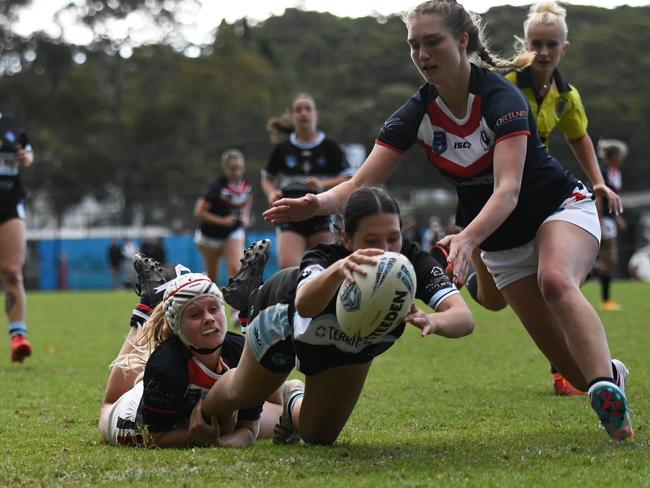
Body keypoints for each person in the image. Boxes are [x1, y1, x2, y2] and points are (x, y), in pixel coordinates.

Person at [263, 0, 633, 442]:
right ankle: (610, 376)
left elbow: (509, 190)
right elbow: (360, 184)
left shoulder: (502, 97)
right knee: (577, 371)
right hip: (502, 243)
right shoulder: (416, 113)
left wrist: (467, 238)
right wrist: (316, 204)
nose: (422, 54)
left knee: (555, 281)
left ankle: (619, 428)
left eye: (432, 42)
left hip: (559, 209)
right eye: (414, 45)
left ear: (462, 41)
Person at [200, 186, 474, 446]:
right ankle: (201, 411)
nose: (386, 250)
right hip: (282, 319)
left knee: (319, 436)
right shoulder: (325, 257)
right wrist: (338, 270)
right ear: (345, 238)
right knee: (245, 393)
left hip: (349, 342)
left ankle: (292, 396)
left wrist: (432, 320)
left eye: (393, 237)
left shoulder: (411, 262)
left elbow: (463, 318)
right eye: (371, 240)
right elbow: (305, 305)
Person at [462, 0, 620, 396]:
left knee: (558, 281)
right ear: (526, 44)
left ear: (564, 48)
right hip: (496, 194)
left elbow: (578, 136)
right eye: (537, 43)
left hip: (539, 194)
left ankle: (569, 372)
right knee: (493, 302)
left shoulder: (567, 96)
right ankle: (474, 268)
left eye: (552, 44)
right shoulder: (507, 84)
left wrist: (598, 182)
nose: (544, 52)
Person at [99, 253, 289, 448]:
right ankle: (148, 305)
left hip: (209, 407)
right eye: (196, 314)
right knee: (110, 405)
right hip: (134, 419)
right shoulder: (167, 366)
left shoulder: (237, 348)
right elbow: (154, 437)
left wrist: (220, 442)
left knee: (278, 405)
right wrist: (201, 439)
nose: (208, 318)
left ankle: (247, 313)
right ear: (176, 325)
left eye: (214, 309)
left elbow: (249, 428)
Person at [261, 94, 353, 269]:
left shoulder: (330, 147)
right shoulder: (283, 148)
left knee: (325, 268)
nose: (303, 113)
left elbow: (348, 178)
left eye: (308, 109)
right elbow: (267, 178)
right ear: (291, 116)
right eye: (298, 109)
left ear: (316, 114)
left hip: (322, 213)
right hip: (291, 213)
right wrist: (272, 192)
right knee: (289, 269)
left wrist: (322, 185)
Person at [0, 113, 34, 363]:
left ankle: (18, 337)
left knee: (12, 271)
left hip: (9, 204)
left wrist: (25, 157)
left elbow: (28, 155)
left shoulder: (10, 127)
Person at [194, 149, 252, 284]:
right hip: (210, 236)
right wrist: (222, 221)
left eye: (239, 168)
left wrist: (245, 216)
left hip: (232, 232)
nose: (236, 172)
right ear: (225, 168)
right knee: (213, 277)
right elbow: (199, 212)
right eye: (233, 169)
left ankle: (237, 305)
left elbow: (247, 198)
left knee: (236, 269)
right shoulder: (216, 187)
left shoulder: (247, 184)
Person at [594, 138, 627, 311]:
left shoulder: (616, 173)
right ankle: (606, 300)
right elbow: (599, 197)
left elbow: (612, 200)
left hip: (609, 219)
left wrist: (617, 218)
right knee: (608, 258)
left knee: (608, 260)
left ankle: (606, 299)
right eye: (620, 155)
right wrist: (598, 219)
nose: (622, 158)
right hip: (601, 219)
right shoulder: (602, 172)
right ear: (614, 156)